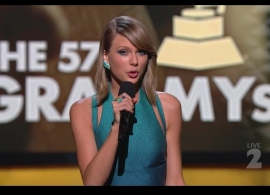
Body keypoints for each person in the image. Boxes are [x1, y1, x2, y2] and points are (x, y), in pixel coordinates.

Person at [69, 15, 186, 186]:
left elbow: (175, 180)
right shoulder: (85, 110)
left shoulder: (168, 107)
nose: (134, 61)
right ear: (106, 57)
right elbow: (92, 182)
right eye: (124, 52)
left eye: (141, 52)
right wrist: (117, 127)